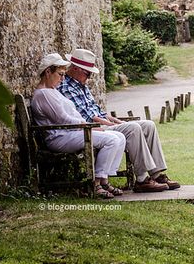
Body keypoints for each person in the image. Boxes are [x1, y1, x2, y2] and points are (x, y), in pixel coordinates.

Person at [58, 48, 180, 193]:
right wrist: (112, 124)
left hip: (101, 124)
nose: (89, 77)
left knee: (149, 125)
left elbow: (98, 111)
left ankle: (157, 174)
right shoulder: (66, 87)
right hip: (93, 129)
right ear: (77, 69)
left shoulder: (81, 85)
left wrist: (116, 121)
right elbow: (86, 117)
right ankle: (141, 179)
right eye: (88, 73)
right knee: (133, 128)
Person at [31, 52, 126, 199]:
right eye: (60, 74)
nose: (63, 79)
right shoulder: (43, 94)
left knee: (119, 136)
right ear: (48, 71)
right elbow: (62, 119)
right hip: (60, 138)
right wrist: (86, 125)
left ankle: (104, 180)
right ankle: (96, 184)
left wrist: (88, 125)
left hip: (72, 133)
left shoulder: (53, 91)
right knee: (111, 140)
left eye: (63, 75)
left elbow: (72, 113)